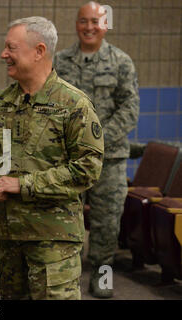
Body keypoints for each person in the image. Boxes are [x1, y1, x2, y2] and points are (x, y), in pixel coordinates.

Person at [0, 16, 104, 300]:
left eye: (11, 48)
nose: (3, 55)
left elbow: (87, 169)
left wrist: (22, 184)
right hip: (9, 238)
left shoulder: (74, 104)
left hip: (54, 240)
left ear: (39, 51)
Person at [53, 1, 140, 298]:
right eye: (83, 21)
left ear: (106, 25)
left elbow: (130, 109)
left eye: (96, 21)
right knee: (67, 220)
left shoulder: (121, 62)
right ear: (76, 24)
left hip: (110, 160)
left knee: (107, 223)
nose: (89, 27)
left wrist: (97, 140)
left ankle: (102, 277)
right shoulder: (60, 62)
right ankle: (68, 279)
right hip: (69, 159)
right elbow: (51, 106)